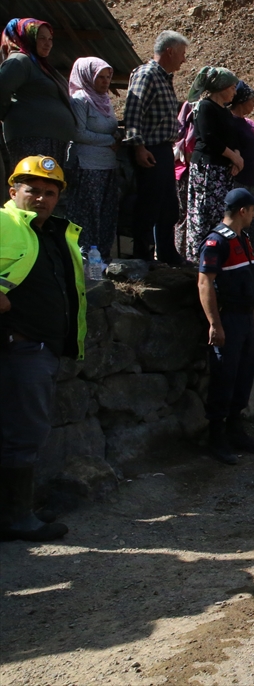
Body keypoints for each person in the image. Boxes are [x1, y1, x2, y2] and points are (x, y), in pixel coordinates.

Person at [0, 156, 84, 542]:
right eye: (32, 189)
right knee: (23, 434)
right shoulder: (4, 223)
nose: (42, 198)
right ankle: (16, 518)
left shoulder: (54, 234)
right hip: (19, 348)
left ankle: (17, 511)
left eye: (50, 192)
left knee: (24, 432)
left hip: (41, 349)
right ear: (12, 190)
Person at [197, 187, 254, 465]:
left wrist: (251, 314)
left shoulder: (244, 239)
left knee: (243, 375)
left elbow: (246, 281)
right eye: (252, 210)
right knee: (224, 377)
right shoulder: (217, 242)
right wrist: (215, 323)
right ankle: (216, 437)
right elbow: (205, 283)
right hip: (227, 318)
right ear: (242, 211)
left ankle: (236, 429)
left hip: (243, 317)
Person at [125, 30, 189, 265]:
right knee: (149, 203)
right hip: (151, 149)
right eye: (182, 54)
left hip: (163, 149)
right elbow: (134, 111)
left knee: (168, 205)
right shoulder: (147, 74)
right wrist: (138, 147)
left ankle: (166, 253)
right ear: (170, 51)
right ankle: (142, 254)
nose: (184, 59)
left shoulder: (164, 78)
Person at [63, 57, 122, 261]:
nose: (105, 82)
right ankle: (85, 259)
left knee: (106, 213)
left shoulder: (105, 101)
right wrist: (109, 140)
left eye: (108, 77)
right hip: (87, 166)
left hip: (108, 166)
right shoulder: (80, 100)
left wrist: (118, 137)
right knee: (88, 214)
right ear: (88, 77)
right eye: (100, 77)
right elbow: (78, 133)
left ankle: (103, 259)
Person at [0, 19, 75, 176]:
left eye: (50, 39)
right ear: (28, 38)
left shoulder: (42, 66)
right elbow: (2, 88)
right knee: (32, 185)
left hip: (52, 141)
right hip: (31, 140)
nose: (48, 44)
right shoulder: (20, 60)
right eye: (42, 38)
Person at [184, 67, 243, 262]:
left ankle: (217, 255)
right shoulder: (205, 106)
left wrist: (237, 157)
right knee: (203, 211)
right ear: (221, 87)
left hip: (223, 169)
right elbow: (209, 138)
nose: (235, 92)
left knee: (220, 213)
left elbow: (233, 138)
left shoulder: (225, 112)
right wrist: (233, 157)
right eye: (232, 87)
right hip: (207, 168)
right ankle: (199, 257)